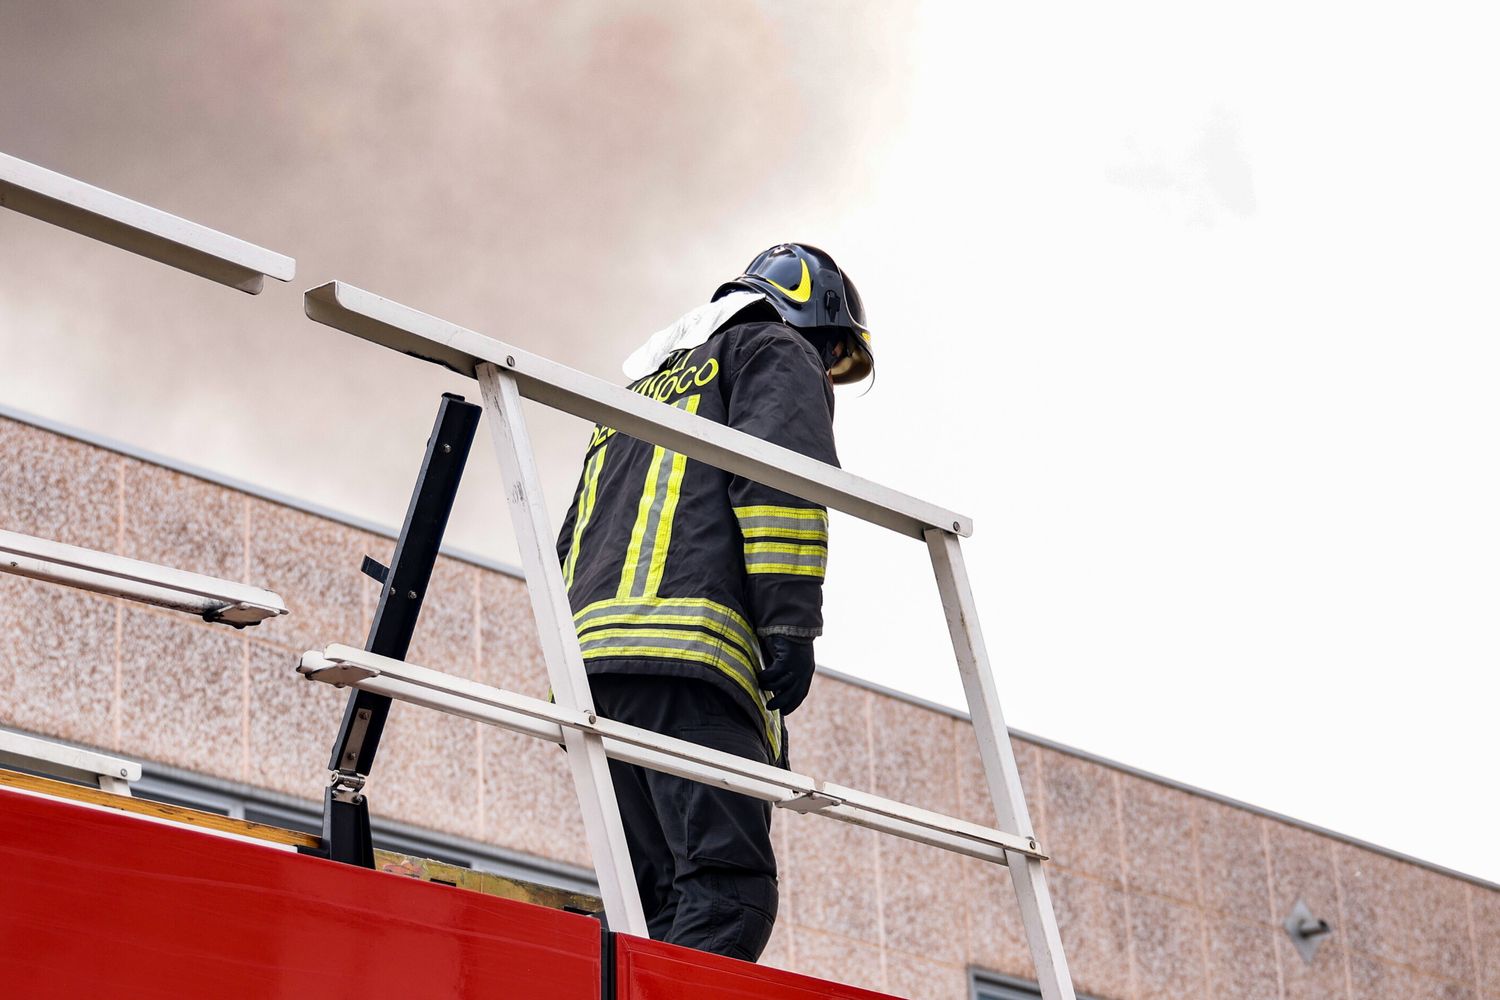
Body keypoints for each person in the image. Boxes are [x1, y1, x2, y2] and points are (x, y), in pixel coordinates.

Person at [554, 243, 874, 960]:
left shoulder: (640, 392)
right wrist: (791, 625)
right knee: (730, 893)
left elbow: (573, 530)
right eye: (831, 355)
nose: (825, 373)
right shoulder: (775, 348)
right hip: (687, 662)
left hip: (593, 670)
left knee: (654, 901)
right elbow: (778, 484)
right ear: (816, 321)